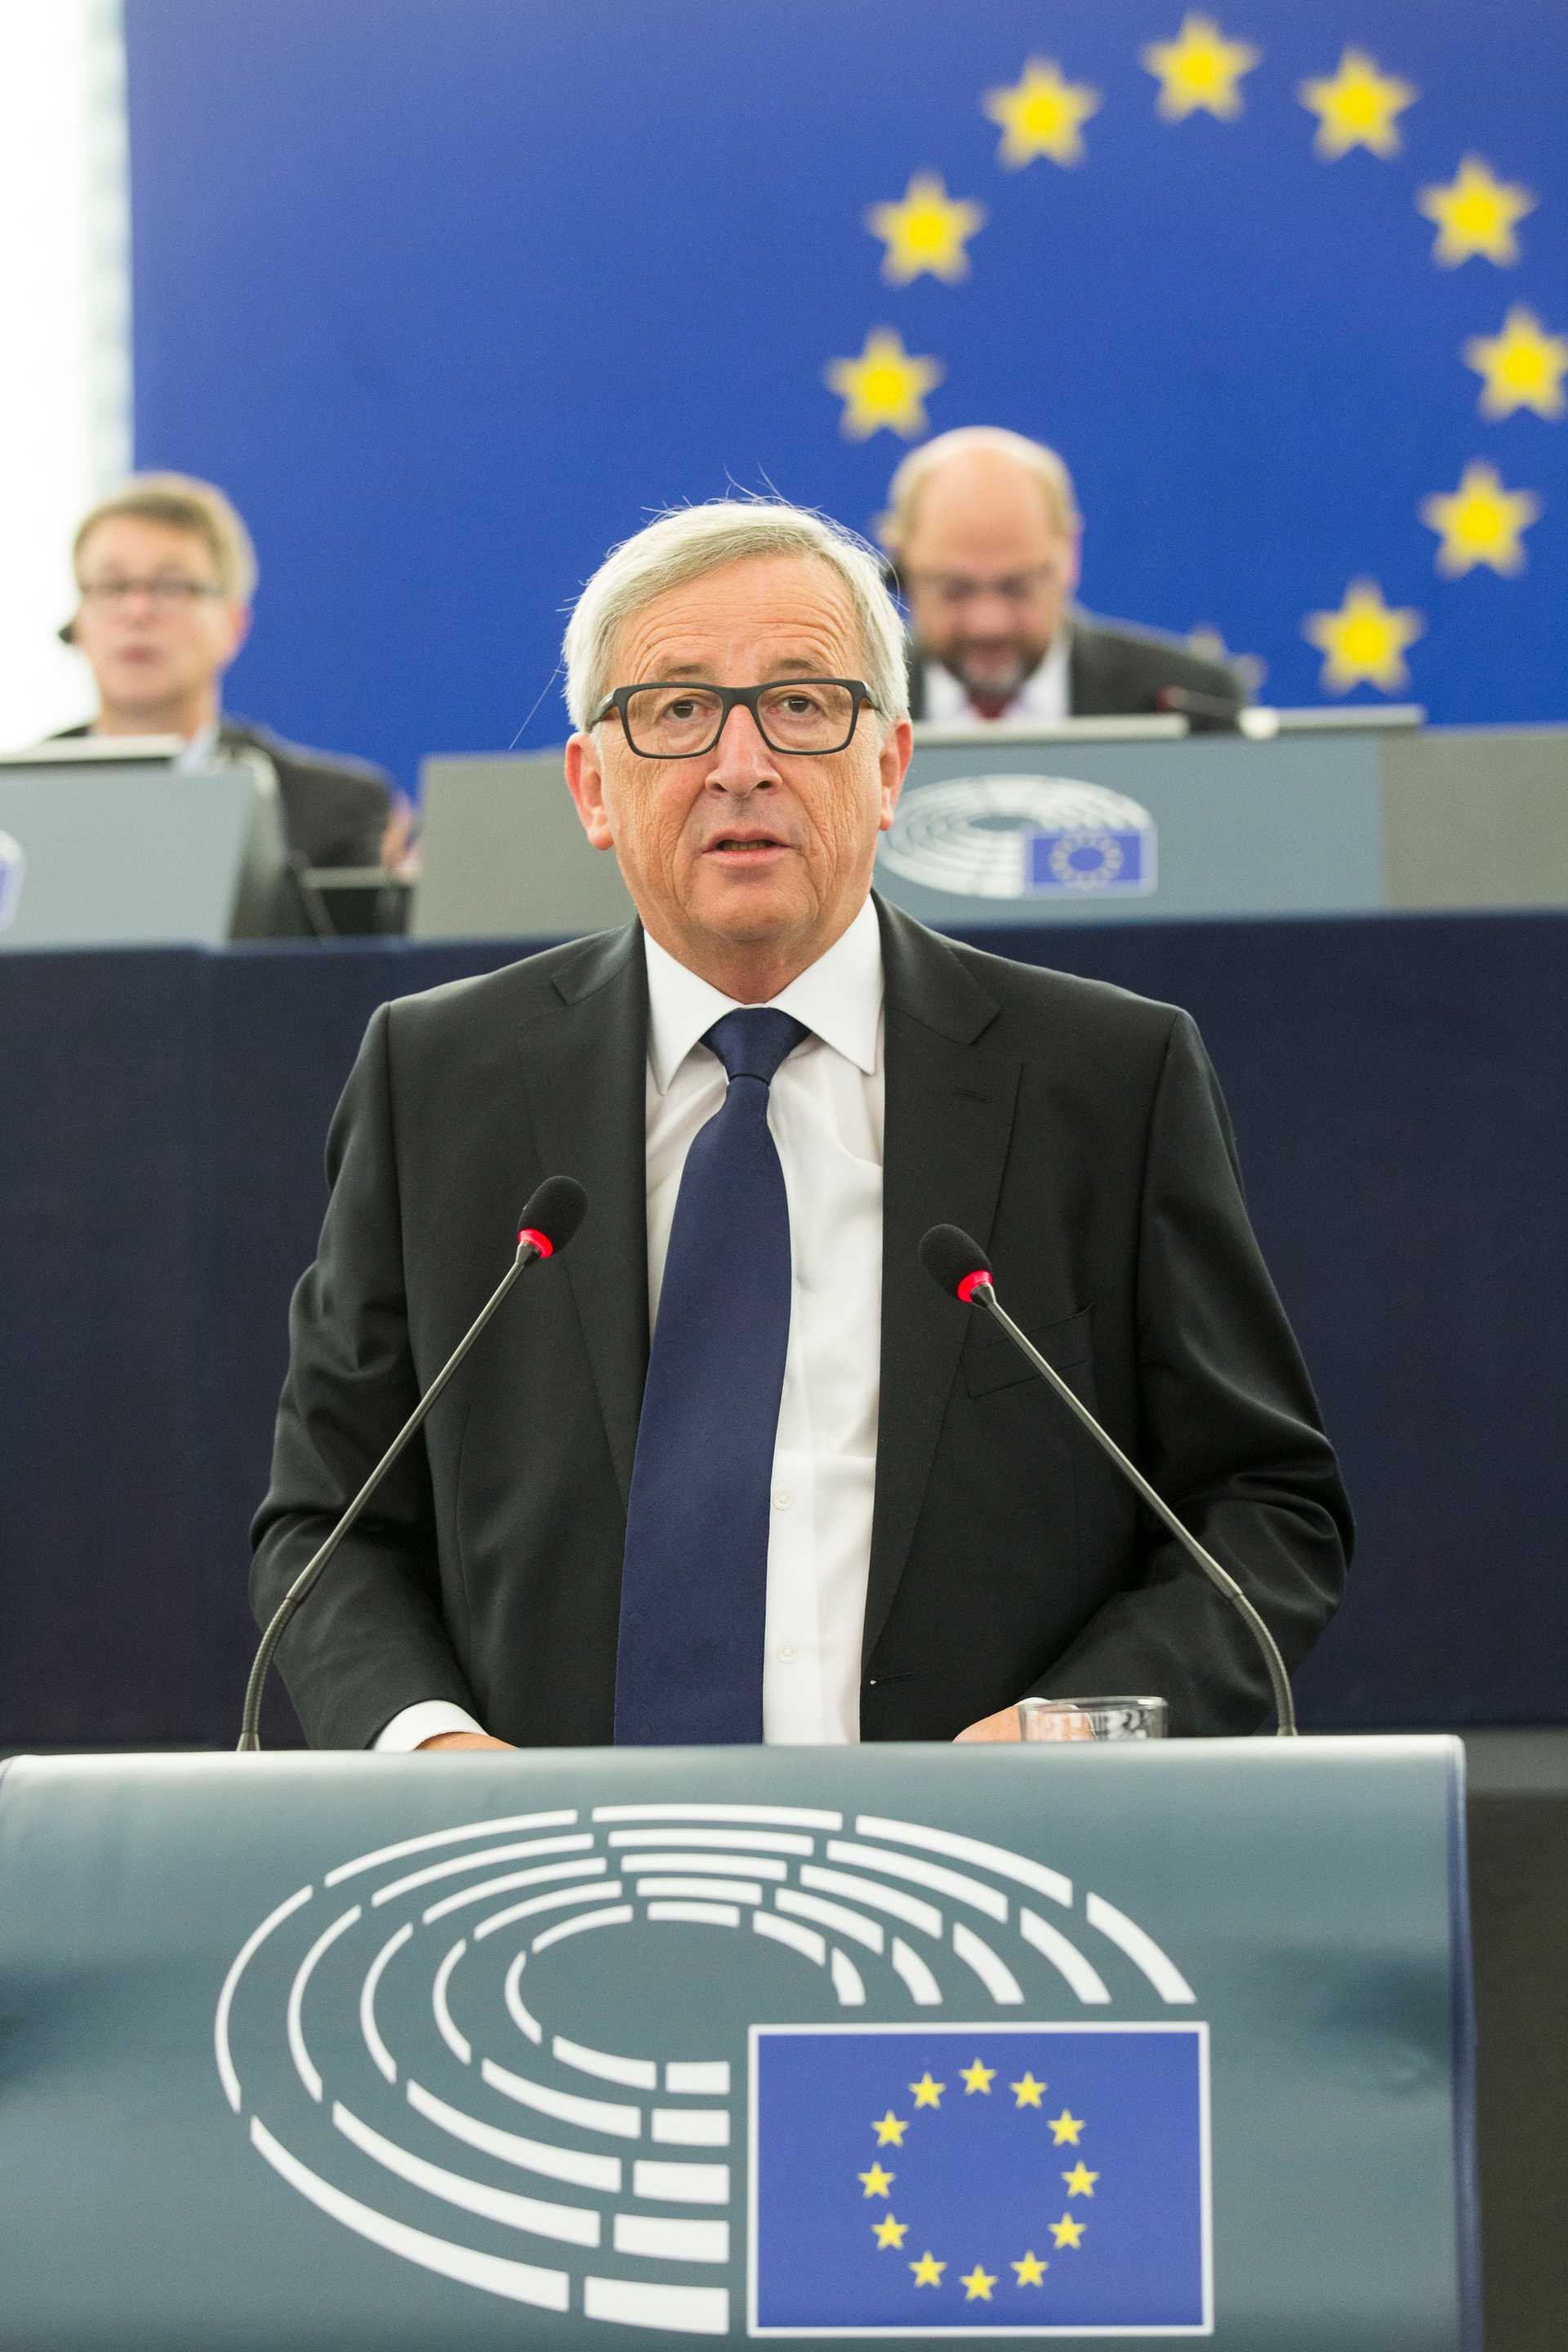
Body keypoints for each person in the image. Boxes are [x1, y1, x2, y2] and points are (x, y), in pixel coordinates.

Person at [251, 499, 1349, 1754]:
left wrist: (1064, 1741)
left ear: (888, 768)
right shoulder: (438, 1079)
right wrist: (429, 1748)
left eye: (803, 703)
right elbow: (326, 1526)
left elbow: (1262, 1505)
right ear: (591, 787)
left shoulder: (1103, 1078)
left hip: (991, 1876)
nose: (741, 764)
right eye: (675, 710)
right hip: (547, 1875)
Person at [54, 472, 400, 869]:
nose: (137, 611)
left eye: (171, 588)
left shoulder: (330, 811)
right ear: (78, 622)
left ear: (233, 627)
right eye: (112, 587)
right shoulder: (13, 796)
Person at [881, 426, 1244, 728]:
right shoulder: (854, 705)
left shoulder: (1191, 704)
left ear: (1069, 555)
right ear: (903, 562)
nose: (988, 624)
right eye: (954, 591)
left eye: (1017, 588)